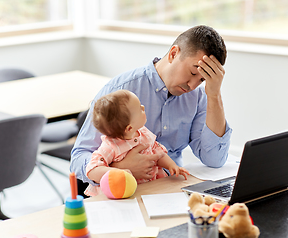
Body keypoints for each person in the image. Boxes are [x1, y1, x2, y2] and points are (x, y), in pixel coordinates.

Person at [71, 25, 232, 192]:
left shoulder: (198, 98)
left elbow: (214, 159)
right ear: (173, 54)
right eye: (193, 73)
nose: (192, 85)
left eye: (202, 80)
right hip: (123, 193)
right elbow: (77, 160)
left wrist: (214, 95)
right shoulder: (120, 90)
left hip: (171, 190)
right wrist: (120, 168)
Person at [84, 90, 189, 196]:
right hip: (125, 193)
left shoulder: (143, 133)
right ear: (129, 128)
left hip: (151, 188)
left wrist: (171, 165)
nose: (143, 107)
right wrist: (120, 172)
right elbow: (92, 170)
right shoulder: (110, 146)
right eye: (140, 109)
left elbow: (157, 152)